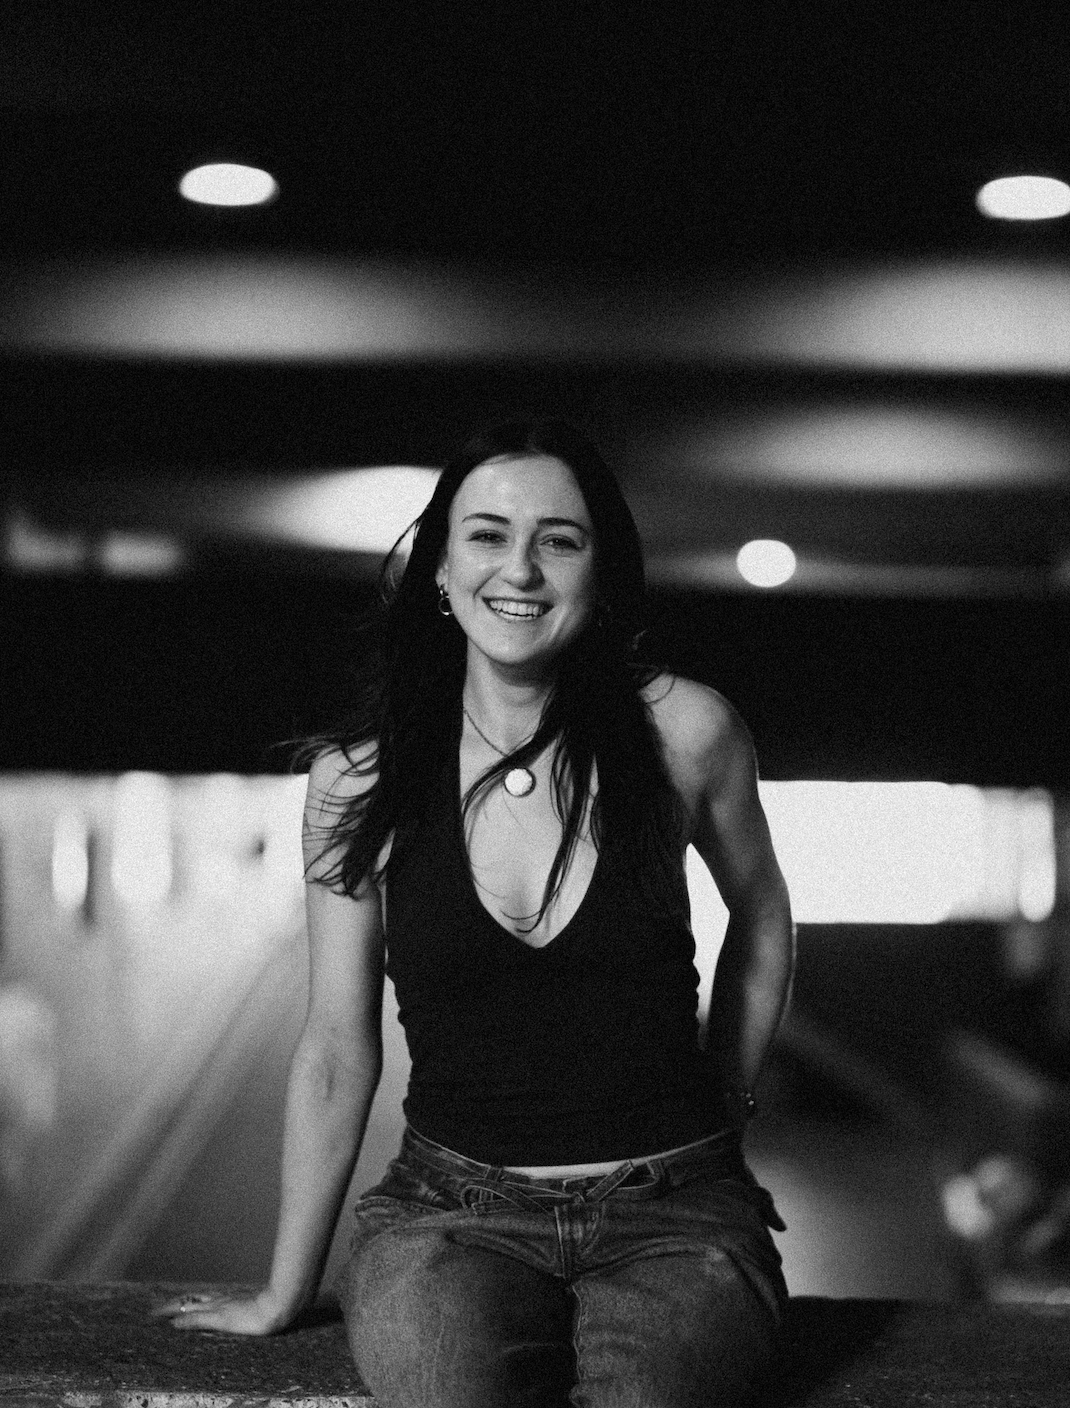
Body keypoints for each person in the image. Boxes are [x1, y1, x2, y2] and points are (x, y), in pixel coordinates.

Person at [159, 419, 796, 1407]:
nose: (521, 569)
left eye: (559, 540)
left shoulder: (686, 732)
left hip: (678, 1216)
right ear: (442, 572)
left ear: (599, 574)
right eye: (488, 536)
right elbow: (334, 1049)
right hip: (448, 1217)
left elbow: (761, 908)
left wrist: (729, 1095)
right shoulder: (356, 781)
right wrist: (284, 1288)